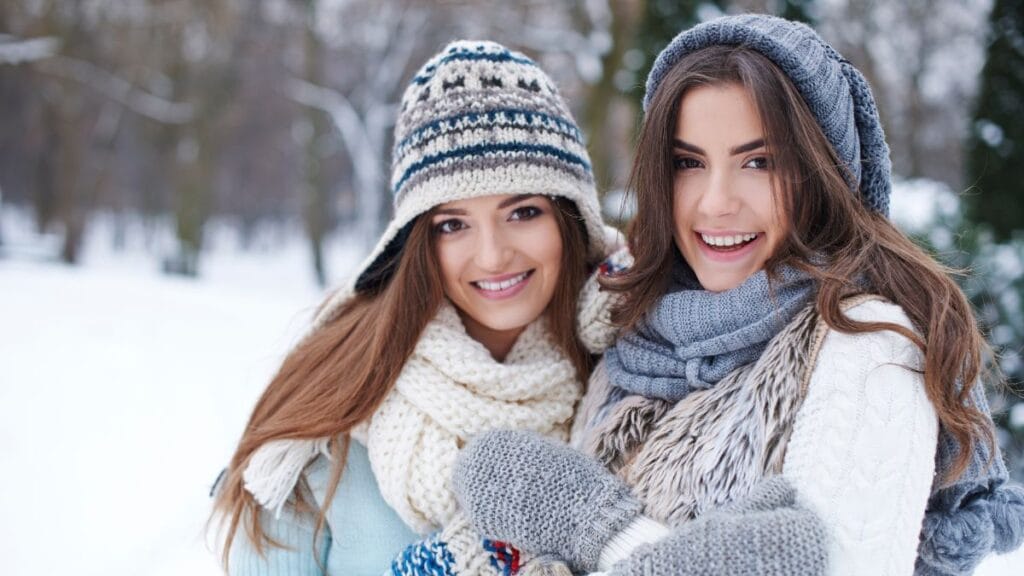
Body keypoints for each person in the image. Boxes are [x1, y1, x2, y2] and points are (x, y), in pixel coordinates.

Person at [451, 14, 1024, 576]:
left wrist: (597, 529)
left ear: (824, 172)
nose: (716, 202)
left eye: (759, 162)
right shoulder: (633, 334)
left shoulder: (869, 348)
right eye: (688, 163)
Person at [211, 40, 621, 575]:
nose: (493, 255)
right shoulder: (331, 418)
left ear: (572, 220)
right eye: (453, 224)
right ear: (416, 243)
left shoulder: (632, 385)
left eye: (522, 212)